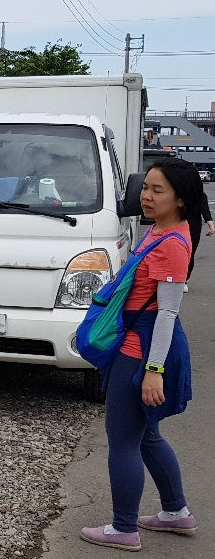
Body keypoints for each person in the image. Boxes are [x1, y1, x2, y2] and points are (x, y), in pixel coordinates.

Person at [80, 158, 203, 551]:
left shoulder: (173, 245)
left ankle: (123, 528)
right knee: (146, 435)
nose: (146, 197)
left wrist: (153, 370)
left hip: (143, 351)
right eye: (145, 188)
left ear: (181, 200)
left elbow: (167, 313)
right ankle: (175, 512)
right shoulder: (158, 231)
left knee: (124, 441)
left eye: (157, 190)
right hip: (138, 346)